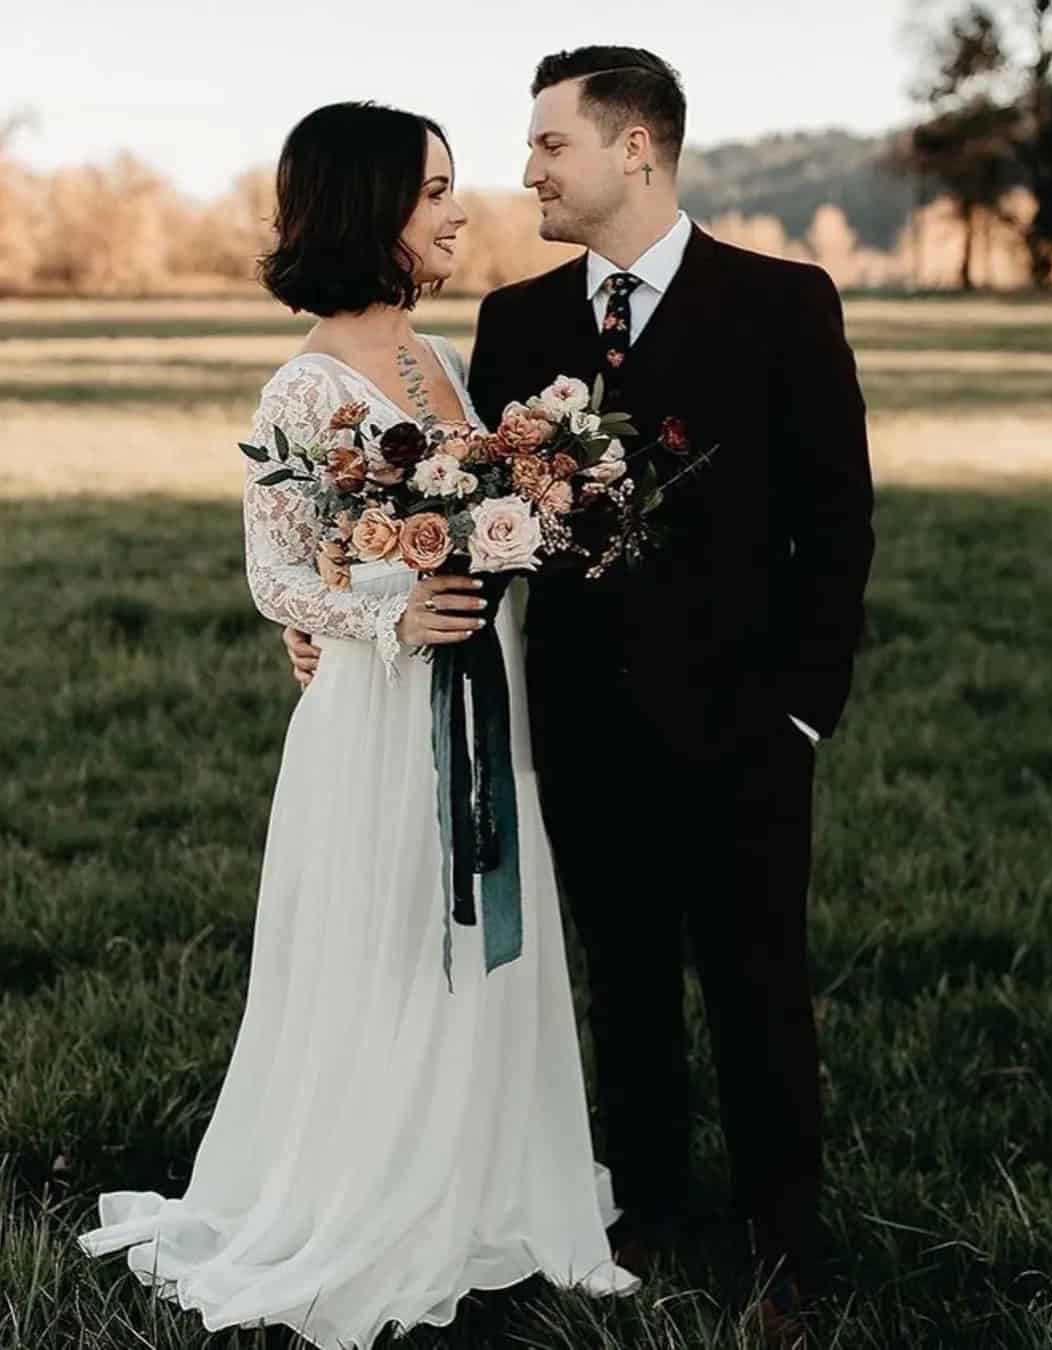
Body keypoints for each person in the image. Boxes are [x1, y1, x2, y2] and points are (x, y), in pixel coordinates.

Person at [285, 48, 875, 1341]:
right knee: (623, 985)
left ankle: (785, 1248)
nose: (528, 169)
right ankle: (649, 1206)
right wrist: (352, 612)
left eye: (549, 144)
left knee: (756, 983)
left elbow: (837, 527)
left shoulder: (782, 302)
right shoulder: (515, 324)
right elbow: (459, 516)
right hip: (575, 728)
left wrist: (799, 711)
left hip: (745, 732)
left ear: (635, 153)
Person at [76, 101, 637, 1350]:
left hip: (483, 705)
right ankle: (366, 1192)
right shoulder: (303, 384)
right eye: (435, 187)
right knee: (387, 945)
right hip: (378, 728)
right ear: (370, 206)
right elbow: (278, 575)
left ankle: (482, 1177)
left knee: (483, 935)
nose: (459, 206)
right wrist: (382, 619)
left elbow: (466, 521)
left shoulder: (443, 364)